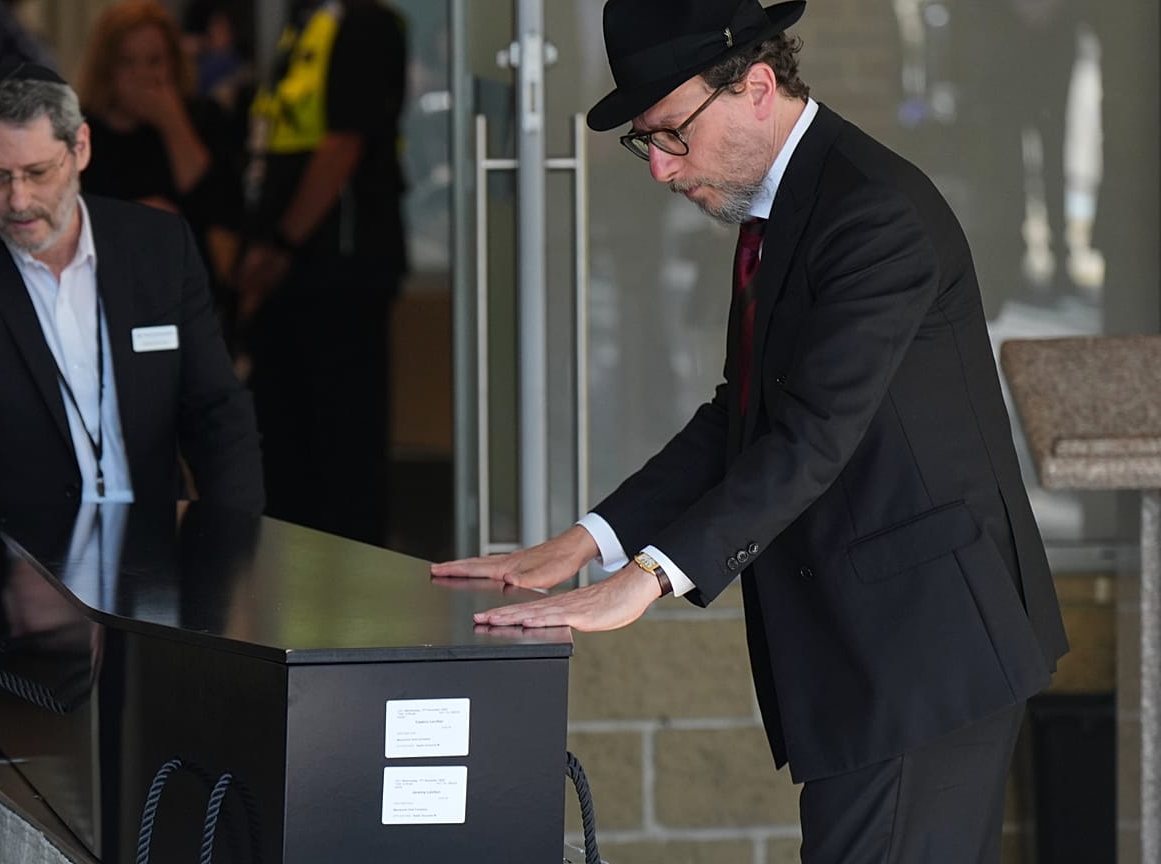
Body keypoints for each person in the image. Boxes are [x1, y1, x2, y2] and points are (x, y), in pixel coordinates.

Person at [432, 0, 1069, 859]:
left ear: (757, 87)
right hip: (878, 650)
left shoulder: (872, 215)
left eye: (671, 134)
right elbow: (742, 415)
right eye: (645, 142)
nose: (659, 169)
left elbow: (809, 436)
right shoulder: (796, 204)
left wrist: (649, 579)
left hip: (924, 652)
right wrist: (590, 540)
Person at [0, 63, 264, 765]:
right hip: (15, 589)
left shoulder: (160, 249)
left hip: (156, 567)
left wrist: (232, 549)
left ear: (80, 148)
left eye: (37, 171)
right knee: (27, 789)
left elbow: (217, 412)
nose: (18, 200)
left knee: (167, 777)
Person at [236, 0, 407, 546]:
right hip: (298, 271)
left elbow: (342, 147)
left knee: (341, 451)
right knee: (286, 447)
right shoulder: (305, 23)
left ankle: (349, 603)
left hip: (338, 271)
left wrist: (280, 244)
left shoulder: (363, 24)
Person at [77, 0, 245, 308]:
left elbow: (220, 208)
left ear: (174, 62)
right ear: (107, 69)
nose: (143, 75)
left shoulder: (204, 119)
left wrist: (173, 123)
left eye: (155, 61)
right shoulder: (80, 133)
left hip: (190, 294)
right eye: (127, 62)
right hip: (108, 293)